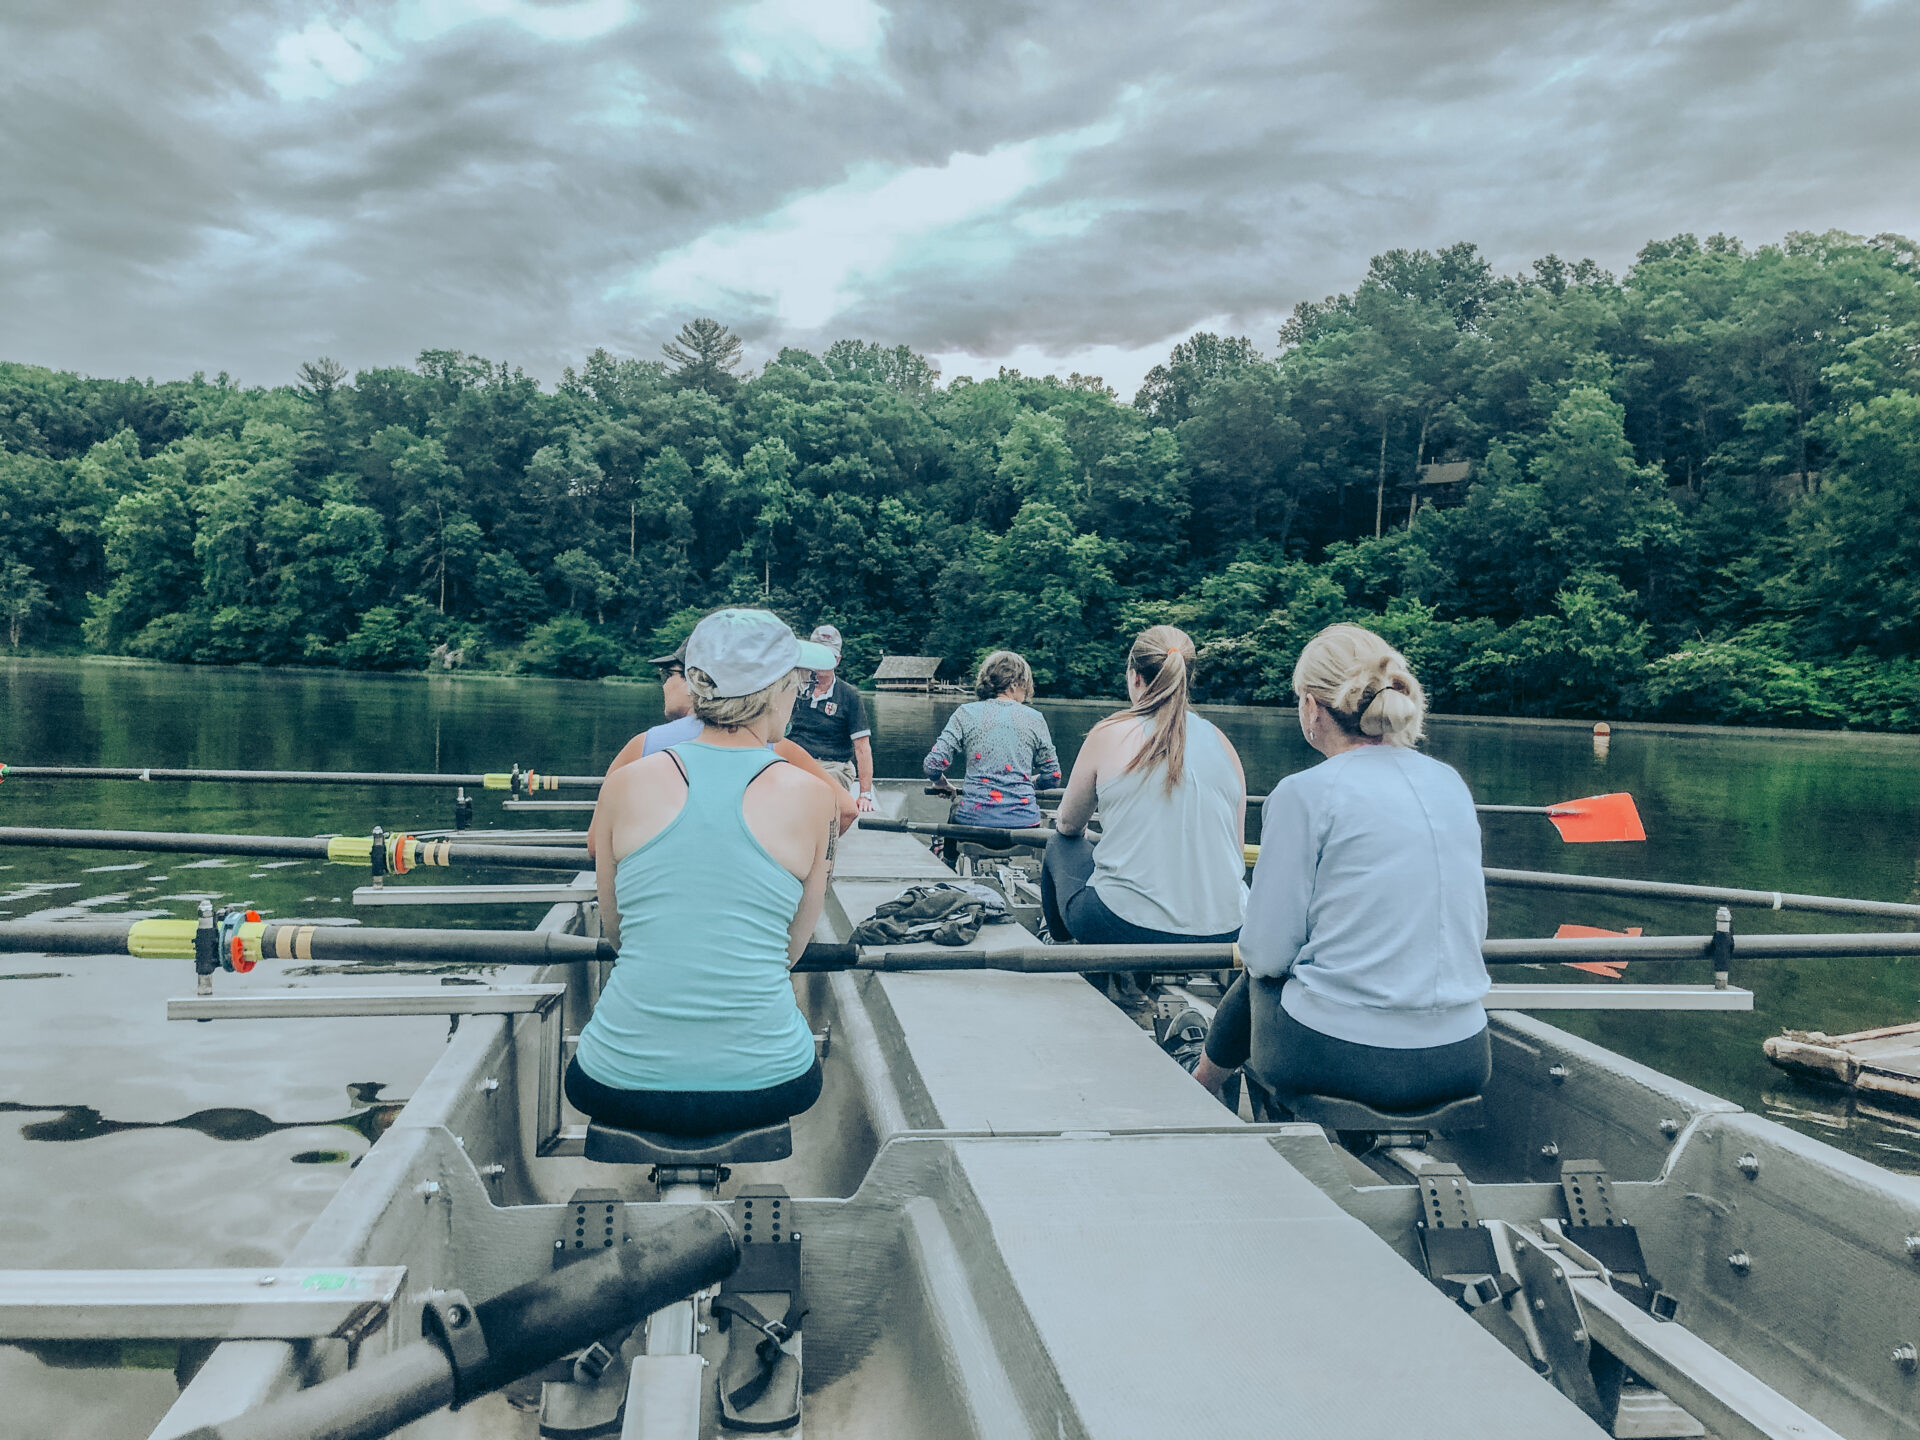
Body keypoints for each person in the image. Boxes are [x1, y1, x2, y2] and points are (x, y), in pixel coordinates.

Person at [1190, 623, 1491, 1115]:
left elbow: (1265, 953)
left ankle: (1199, 1086)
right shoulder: (1449, 783)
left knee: (1261, 978)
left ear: (1311, 707)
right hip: (1463, 1056)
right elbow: (1472, 931)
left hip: (1339, 1057)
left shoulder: (1303, 793)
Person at [566, 608, 842, 1137]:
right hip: (773, 1080)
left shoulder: (624, 783)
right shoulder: (817, 798)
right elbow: (791, 950)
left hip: (612, 1079)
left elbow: (616, 932)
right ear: (776, 691)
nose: (801, 693)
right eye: (797, 681)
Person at [1041, 626, 1248, 945]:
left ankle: (1058, 943)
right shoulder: (1225, 745)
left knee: (1059, 844)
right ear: (1187, 679)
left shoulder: (1108, 733)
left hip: (1123, 925)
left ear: (1135, 677)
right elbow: (1234, 850)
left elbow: (1068, 824)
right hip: (1228, 931)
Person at [595, 635, 857, 838]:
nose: (664, 683)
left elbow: (597, 844)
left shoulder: (642, 746)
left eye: (668, 674)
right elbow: (845, 810)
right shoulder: (779, 749)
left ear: (695, 679)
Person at [922, 650, 1062, 828]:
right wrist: (1032, 782)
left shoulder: (965, 713)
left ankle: (948, 856)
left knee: (956, 807)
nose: (1027, 691)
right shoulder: (1035, 718)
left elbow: (932, 765)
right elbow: (1053, 776)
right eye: (1025, 684)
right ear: (1014, 684)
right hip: (1025, 823)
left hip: (973, 822)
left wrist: (941, 783)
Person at [785, 623, 876, 814]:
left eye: (829, 656)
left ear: (838, 660)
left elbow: (862, 747)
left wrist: (865, 793)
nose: (822, 662)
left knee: (815, 791)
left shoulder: (849, 695)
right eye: (818, 654)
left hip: (833, 765)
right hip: (794, 760)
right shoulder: (793, 688)